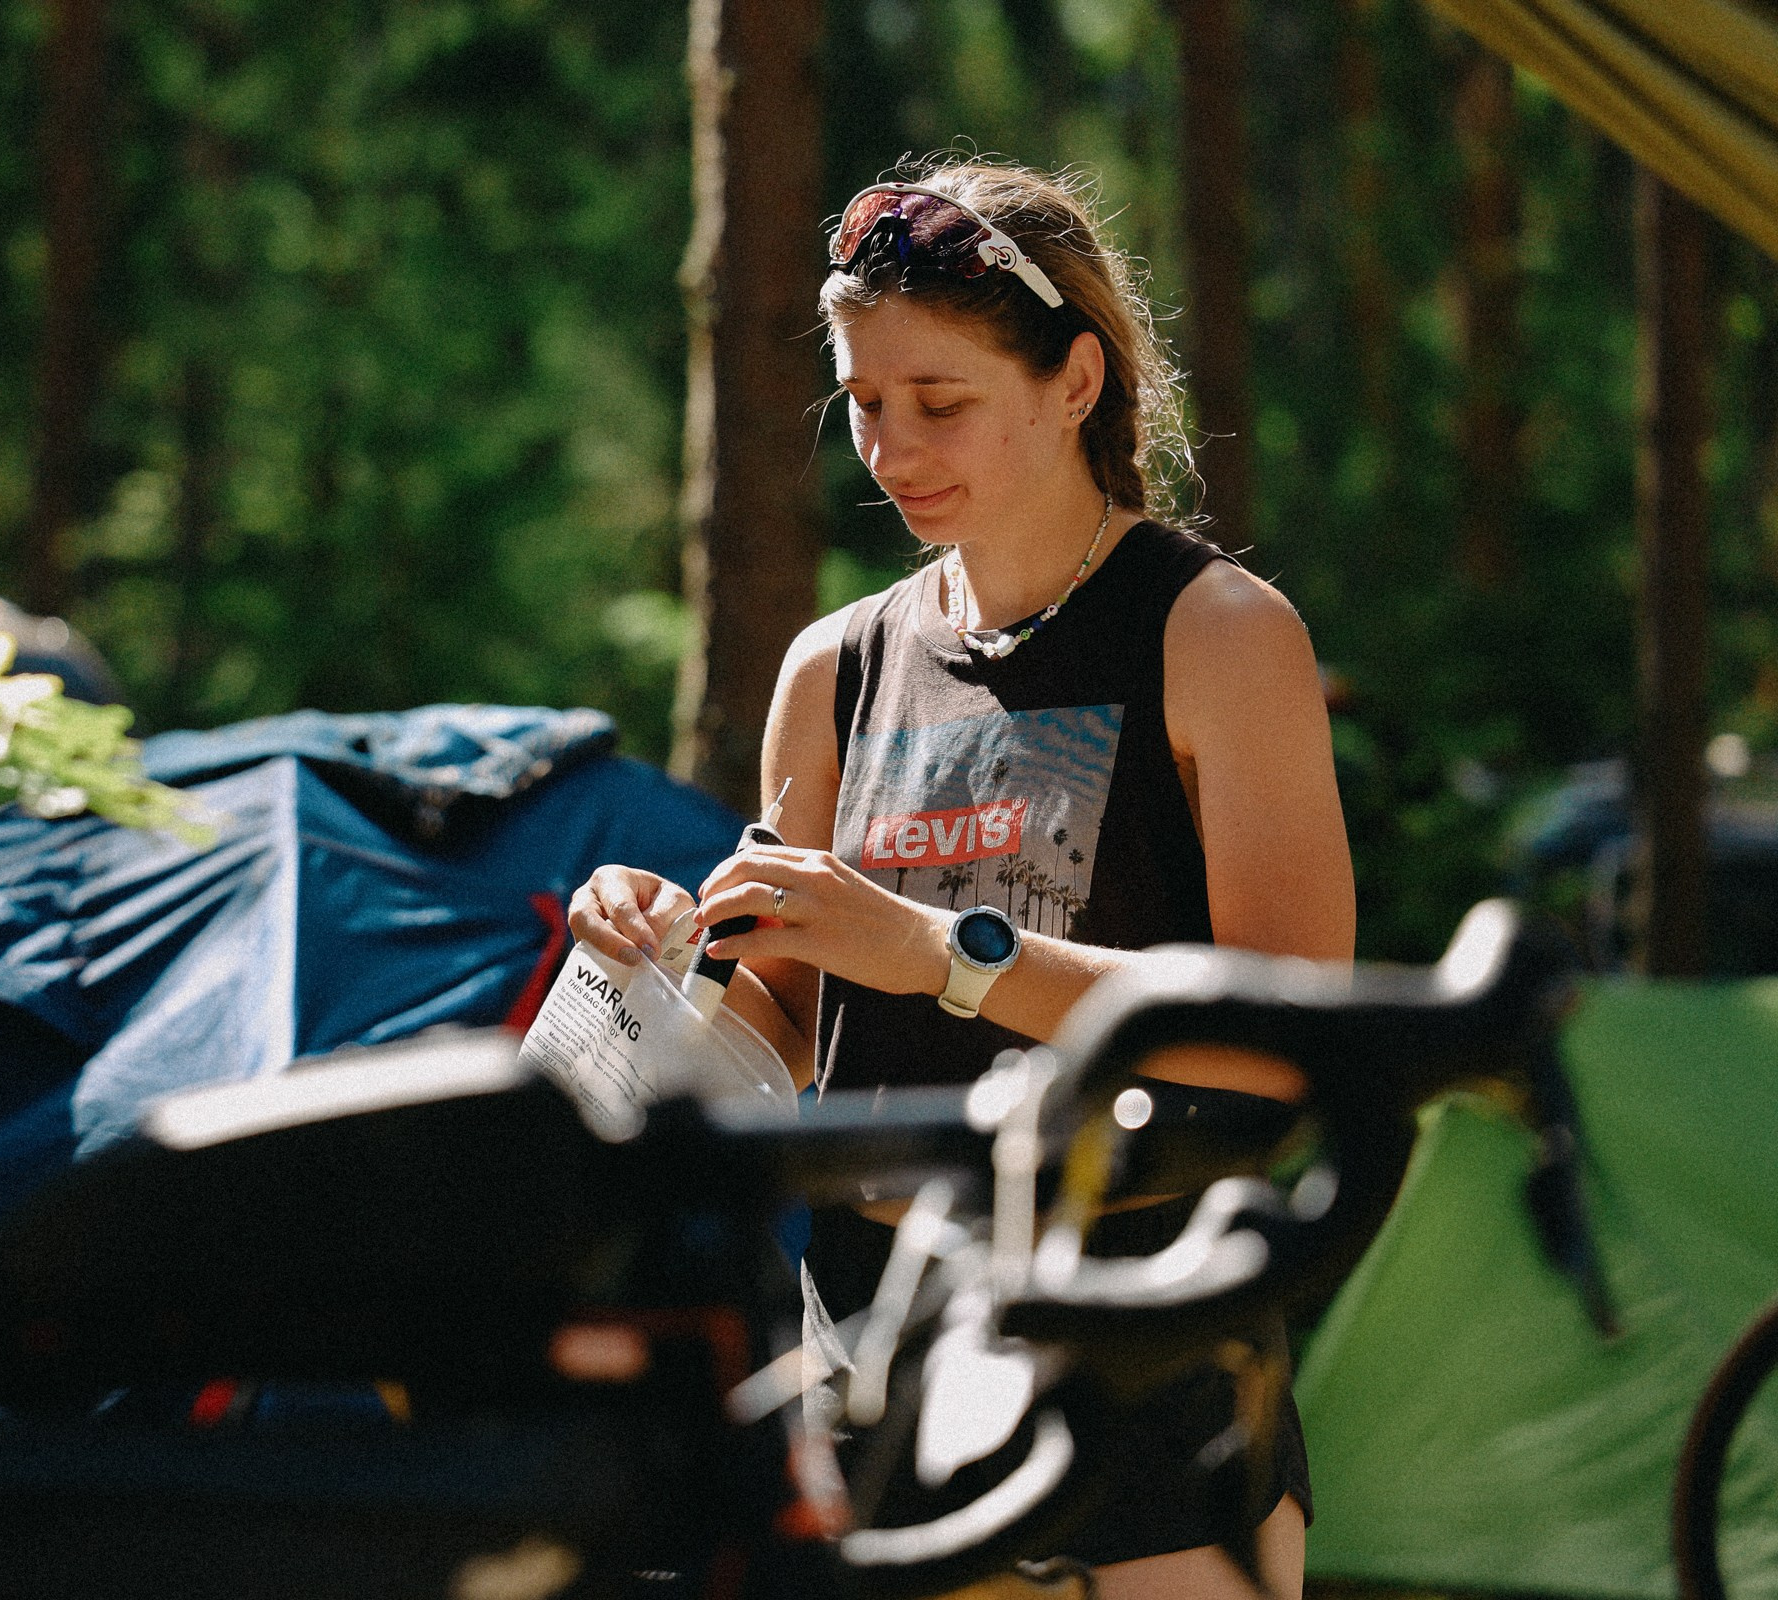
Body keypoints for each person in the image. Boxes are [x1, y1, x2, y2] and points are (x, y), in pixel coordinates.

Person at [571, 161, 1355, 1600]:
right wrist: (656, 973)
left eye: (943, 403)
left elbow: (1286, 1034)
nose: (893, 449)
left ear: (1073, 382)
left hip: (1142, 1319)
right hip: (877, 1334)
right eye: (866, 404)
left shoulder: (1216, 634)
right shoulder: (838, 667)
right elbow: (788, 1027)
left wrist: (946, 952)